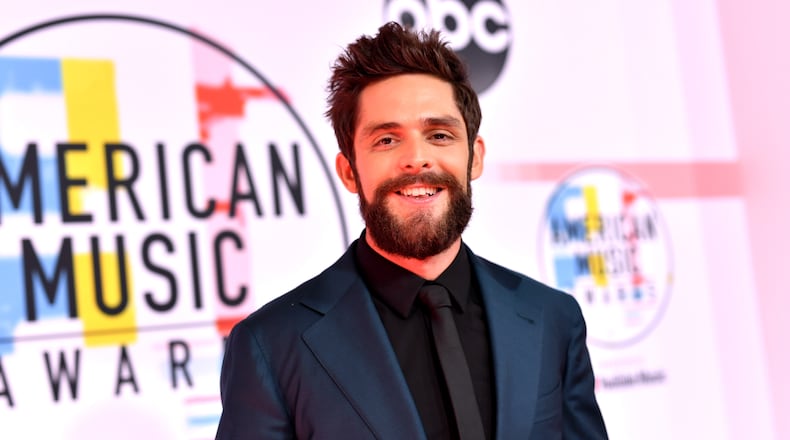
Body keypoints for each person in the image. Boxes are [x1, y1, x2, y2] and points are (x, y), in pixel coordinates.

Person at [215, 22, 608, 440]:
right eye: (386, 140)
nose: (417, 159)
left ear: (473, 157)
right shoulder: (271, 346)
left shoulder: (552, 318)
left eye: (439, 135)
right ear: (349, 172)